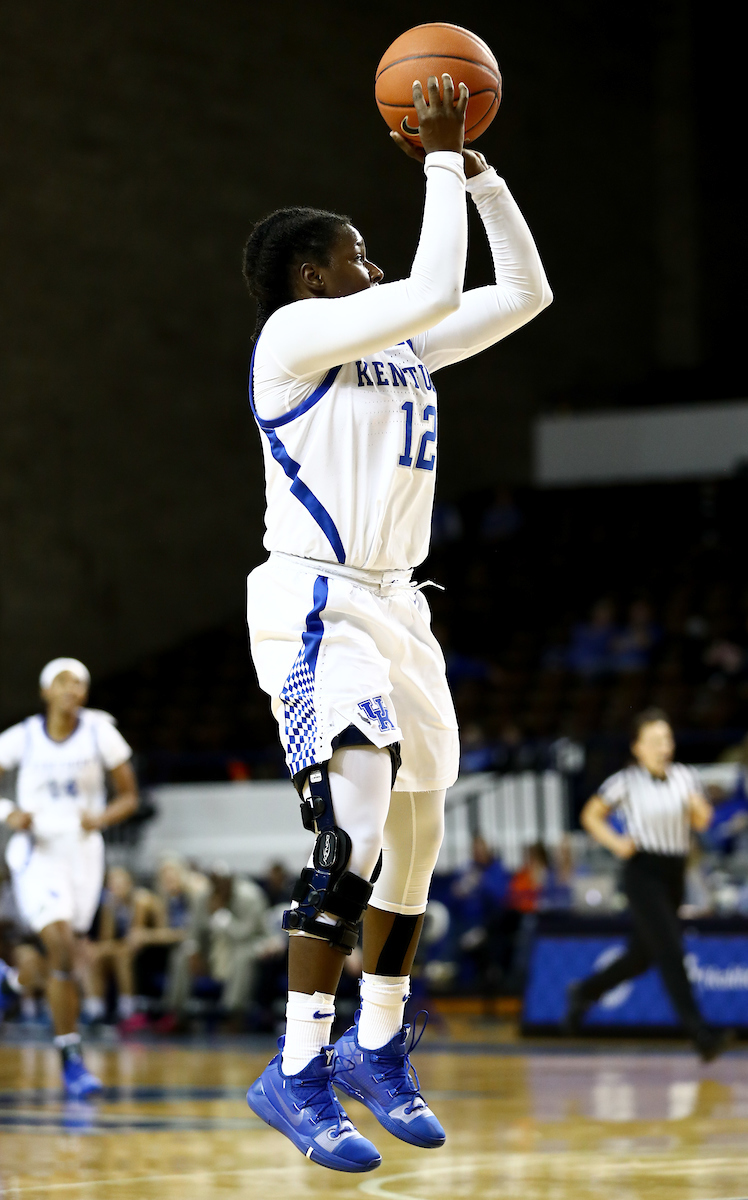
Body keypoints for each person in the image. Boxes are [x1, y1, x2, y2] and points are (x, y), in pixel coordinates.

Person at [242, 74, 551, 1172]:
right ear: (311, 275)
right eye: (356, 256)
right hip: (317, 599)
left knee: (418, 838)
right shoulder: (292, 336)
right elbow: (430, 282)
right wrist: (437, 154)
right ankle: (295, 1067)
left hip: (398, 602)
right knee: (357, 829)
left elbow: (525, 291)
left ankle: (375, 1044)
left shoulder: (403, 346)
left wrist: (483, 175)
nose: (370, 269)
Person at [0, 658, 138, 1097]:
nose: (71, 689)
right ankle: (71, 1059)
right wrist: (8, 811)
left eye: (78, 683)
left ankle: (11, 982)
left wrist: (101, 817)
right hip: (37, 851)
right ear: (45, 691)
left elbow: (129, 796)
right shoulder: (24, 736)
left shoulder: (100, 731)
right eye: (62, 681)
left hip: (83, 852)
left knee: (69, 957)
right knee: (60, 946)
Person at [565, 707, 728, 1061]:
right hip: (642, 872)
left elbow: (703, 822)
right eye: (654, 741)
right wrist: (616, 843)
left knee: (642, 957)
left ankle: (585, 991)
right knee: (670, 948)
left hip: (674, 873)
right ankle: (699, 1032)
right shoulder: (624, 781)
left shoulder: (686, 776)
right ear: (637, 747)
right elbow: (590, 815)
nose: (662, 747)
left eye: (666, 739)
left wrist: (699, 808)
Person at [158, 862, 268, 1031]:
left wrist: (223, 918)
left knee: (243, 955)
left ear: (231, 881)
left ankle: (233, 1014)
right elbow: (193, 931)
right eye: (214, 882)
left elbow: (250, 934)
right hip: (212, 953)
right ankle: (177, 1014)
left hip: (239, 949)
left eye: (223, 882)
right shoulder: (203, 897)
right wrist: (193, 950)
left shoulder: (250, 897)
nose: (219, 887)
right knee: (181, 956)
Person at [82, 865, 162, 1030]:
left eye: (120, 884)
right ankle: (95, 1009)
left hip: (151, 951)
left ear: (129, 884)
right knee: (96, 956)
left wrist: (103, 949)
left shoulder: (141, 901)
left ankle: (128, 1009)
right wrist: (98, 950)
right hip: (123, 948)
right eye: (112, 885)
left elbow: (135, 939)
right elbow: (106, 938)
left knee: (121, 955)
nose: (116, 888)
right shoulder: (110, 904)